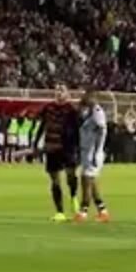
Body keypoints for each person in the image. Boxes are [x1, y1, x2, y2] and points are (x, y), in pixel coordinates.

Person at [36, 85, 81, 222]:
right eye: (57, 90)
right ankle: (60, 212)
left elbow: (77, 130)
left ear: (67, 94)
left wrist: (77, 147)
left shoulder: (72, 110)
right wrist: (35, 142)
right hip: (51, 147)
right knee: (55, 180)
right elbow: (42, 125)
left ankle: (73, 196)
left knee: (70, 176)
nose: (59, 93)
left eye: (62, 91)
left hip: (67, 149)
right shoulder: (47, 108)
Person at [75, 91, 111, 223]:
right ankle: (103, 211)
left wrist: (97, 152)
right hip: (87, 152)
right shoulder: (89, 112)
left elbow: (102, 132)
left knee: (85, 181)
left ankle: (83, 211)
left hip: (93, 153)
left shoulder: (97, 112)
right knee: (92, 182)